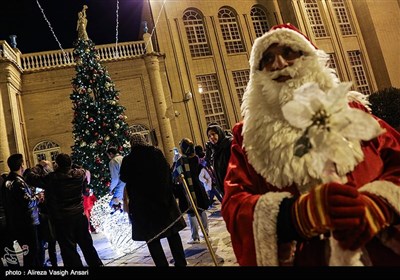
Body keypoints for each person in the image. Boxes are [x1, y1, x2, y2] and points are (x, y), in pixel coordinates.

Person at [221, 23, 400, 266]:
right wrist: (294, 216)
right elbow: (234, 204)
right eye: (267, 58)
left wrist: (378, 206)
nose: (279, 64)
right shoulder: (247, 136)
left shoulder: (351, 109)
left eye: (289, 52)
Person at [120, 134, 187, 267]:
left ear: (132, 144)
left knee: (152, 239)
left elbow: (124, 177)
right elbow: (167, 172)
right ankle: (181, 262)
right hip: (164, 202)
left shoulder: (128, 160)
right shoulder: (156, 153)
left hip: (144, 208)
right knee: (172, 234)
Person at [42, 153, 103, 267]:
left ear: (57, 164)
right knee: (87, 245)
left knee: (69, 250)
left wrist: (41, 167)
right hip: (79, 215)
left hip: (63, 218)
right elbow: (84, 171)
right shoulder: (79, 174)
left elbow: (33, 178)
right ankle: (96, 264)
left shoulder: (53, 178)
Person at [3, 154, 41, 267]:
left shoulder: (8, 181)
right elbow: (27, 202)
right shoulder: (17, 182)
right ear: (21, 165)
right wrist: (38, 197)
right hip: (26, 223)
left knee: (32, 252)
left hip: (18, 222)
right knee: (31, 252)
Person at [173, 138, 210, 244]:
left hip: (187, 189)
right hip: (198, 187)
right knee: (201, 210)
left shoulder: (180, 161)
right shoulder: (196, 158)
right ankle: (206, 232)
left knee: (191, 212)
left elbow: (175, 175)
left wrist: (175, 162)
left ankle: (195, 237)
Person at [206, 123, 233, 196]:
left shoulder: (229, 144)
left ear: (219, 133)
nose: (211, 137)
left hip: (234, 186)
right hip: (224, 188)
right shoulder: (215, 149)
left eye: (213, 134)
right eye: (209, 136)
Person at [106, 147, 126, 213]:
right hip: (128, 184)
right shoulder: (123, 158)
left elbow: (115, 178)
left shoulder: (113, 162)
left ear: (111, 154)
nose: (108, 157)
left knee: (113, 204)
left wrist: (110, 189)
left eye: (108, 155)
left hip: (120, 186)